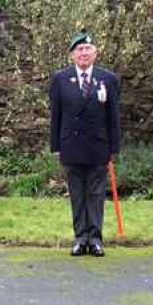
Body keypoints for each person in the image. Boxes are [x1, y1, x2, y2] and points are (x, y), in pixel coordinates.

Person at [49, 32, 121, 257]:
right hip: (71, 145)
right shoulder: (60, 79)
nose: (83, 53)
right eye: (79, 50)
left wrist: (114, 148)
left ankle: (96, 239)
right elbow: (56, 116)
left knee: (96, 194)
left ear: (95, 53)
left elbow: (113, 116)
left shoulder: (108, 79)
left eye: (87, 49)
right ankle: (80, 238)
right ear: (72, 55)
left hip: (98, 146)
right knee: (77, 194)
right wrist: (56, 146)